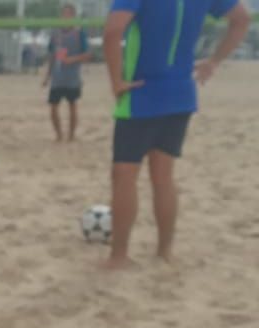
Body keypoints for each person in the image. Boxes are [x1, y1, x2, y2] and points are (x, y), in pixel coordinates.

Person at [103, 0, 251, 270]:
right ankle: (164, 251)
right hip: (181, 93)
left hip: (141, 92)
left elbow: (113, 31)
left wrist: (116, 81)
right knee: (163, 177)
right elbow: (242, 18)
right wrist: (214, 61)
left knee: (124, 176)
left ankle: (119, 256)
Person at [42, 4, 92, 142]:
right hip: (57, 77)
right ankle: (59, 135)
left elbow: (88, 54)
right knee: (53, 107)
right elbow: (52, 56)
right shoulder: (55, 34)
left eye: (69, 14)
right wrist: (47, 76)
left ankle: (71, 135)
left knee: (72, 106)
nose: (66, 17)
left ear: (73, 16)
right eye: (64, 14)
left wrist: (72, 59)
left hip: (72, 77)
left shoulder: (79, 33)